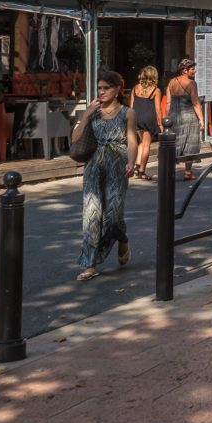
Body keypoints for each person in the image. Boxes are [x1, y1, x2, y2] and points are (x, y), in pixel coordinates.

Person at [73, 69, 137, 282]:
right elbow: (75, 138)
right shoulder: (94, 111)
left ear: (117, 89)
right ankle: (89, 264)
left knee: (113, 215)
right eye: (99, 88)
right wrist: (87, 114)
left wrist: (131, 161)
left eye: (106, 88)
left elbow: (132, 140)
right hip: (94, 164)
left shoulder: (127, 112)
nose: (101, 92)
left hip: (117, 162)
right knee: (91, 214)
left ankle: (123, 237)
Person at [165, 57, 206, 183]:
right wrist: (201, 119)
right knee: (190, 143)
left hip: (173, 116)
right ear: (185, 70)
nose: (195, 71)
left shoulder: (171, 82)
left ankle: (169, 172)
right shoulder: (191, 84)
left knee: (174, 143)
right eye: (192, 69)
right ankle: (188, 172)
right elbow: (195, 103)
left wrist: (167, 117)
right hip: (188, 117)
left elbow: (168, 102)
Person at [129, 65, 163, 179]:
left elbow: (131, 106)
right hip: (148, 117)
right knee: (146, 145)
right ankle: (142, 171)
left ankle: (136, 166)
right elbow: (158, 109)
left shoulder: (135, 88)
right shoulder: (156, 90)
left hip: (136, 116)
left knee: (140, 143)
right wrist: (160, 124)